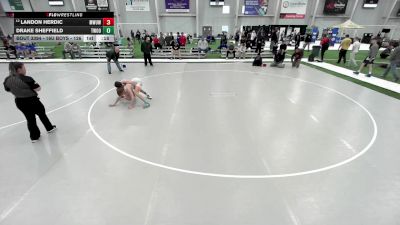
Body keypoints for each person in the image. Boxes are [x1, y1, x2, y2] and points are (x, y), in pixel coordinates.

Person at [3, 62, 56, 142]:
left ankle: (34, 136)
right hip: (32, 101)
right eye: (24, 68)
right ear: (19, 69)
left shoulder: (7, 80)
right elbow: (38, 88)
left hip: (20, 102)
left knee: (30, 119)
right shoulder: (27, 78)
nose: (25, 69)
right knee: (42, 114)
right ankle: (49, 128)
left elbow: (7, 89)